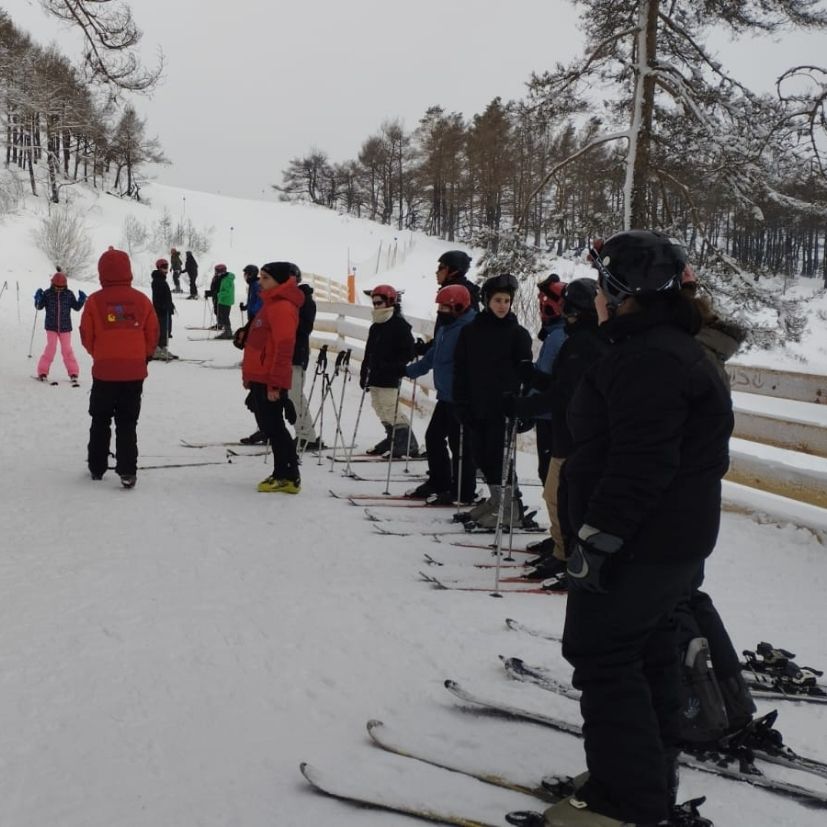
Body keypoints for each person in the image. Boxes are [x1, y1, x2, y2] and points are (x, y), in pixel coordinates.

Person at [543, 231, 733, 827]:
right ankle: (642, 779)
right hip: (664, 542)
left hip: (640, 545)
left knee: (603, 655)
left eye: (603, 287)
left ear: (622, 294)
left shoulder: (649, 358)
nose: (597, 298)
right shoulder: (664, 348)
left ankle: (625, 802)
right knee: (647, 651)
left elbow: (642, 462)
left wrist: (597, 538)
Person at [505, 277, 606, 575]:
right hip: (570, 433)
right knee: (558, 496)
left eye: (569, 310)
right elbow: (561, 384)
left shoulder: (584, 345)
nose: (565, 316)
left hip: (574, 436)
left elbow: (564, 394)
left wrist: (522, 406)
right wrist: (531, 376)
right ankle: (561, 549)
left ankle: (567, 557)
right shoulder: (579, 341)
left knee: (561, 498)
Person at [453, 273, 533, 529]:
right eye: (498, 300)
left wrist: (525, 407)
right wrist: (460, 403)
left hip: (503, 408)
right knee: (481, 456)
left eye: (507, 301)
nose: (502, 306)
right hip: (477, 404)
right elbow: (461, 370)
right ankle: (497, 500)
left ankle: (511, 508)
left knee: (499, 458)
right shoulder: (470, 332)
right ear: (487, 301)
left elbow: (527, 375)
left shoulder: (518, 334)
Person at [79, 248, 160, 488]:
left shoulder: (94, 301)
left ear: (102, 271)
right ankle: (127, 471)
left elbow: (86, 334)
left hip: (104, 372)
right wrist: (143, 356)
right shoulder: (141, 300)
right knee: (127, 422)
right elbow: (153, 332)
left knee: (100, 419)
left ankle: (97, 467)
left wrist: (99, 354)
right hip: (133, 372)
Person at [405, 284, 478, 505]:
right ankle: (440, 481)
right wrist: (408, 371)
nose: (441, 312)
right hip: (446, 396)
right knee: (433, 437)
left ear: (459, 307)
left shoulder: (469, 329)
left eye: (445, 307)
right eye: (440, 307)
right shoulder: (447, 327)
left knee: (460, 445)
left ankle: (463, 491)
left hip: (461, 398)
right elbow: (432, 356)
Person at [241, 261, 305, 494]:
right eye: (260, 277)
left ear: (279, 281)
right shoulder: (270, 304)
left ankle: (288, 475)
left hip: (270, 378)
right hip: (261, 376)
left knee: (275, 428)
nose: (261, 281)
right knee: (270, 427)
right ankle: (284, 473)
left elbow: (283, 348)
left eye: (266, 278)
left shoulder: (282, 307)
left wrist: (275, 384)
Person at [359, 285, 419, 457]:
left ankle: (407, 443)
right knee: (379, 407)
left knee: (390, 407)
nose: (376, 306)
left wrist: (392, 366)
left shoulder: (399, 325)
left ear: (390, 302)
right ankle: (392, 438)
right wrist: (364, 372)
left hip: (389, 374)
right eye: (374, 303)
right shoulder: (376, 326)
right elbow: (369, 352)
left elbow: (408, 352)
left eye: (379, 302)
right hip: (375, 374)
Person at [34, 271, 86, 384]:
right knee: (51, 348)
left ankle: (73, 372)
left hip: (65, 327)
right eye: (56, 287)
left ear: (65, 285)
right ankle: (42, 371)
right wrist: (37, 299)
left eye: (61, 287)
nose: (58, 289)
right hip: (51, 326)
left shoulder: (69, 294)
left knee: (67, 350)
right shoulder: (47, 294)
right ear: (52, 284)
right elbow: (39, 307)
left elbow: (76, 307)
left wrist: (81, 300)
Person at [290, 266, 322, 451]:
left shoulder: (305, 300)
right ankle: (301, 433)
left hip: (296, 354)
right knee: (287, 397)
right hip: (285, 354)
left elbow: (304, 328)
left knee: (295, 395)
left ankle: (307, 436)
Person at [150, 258, 178, 361]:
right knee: (161, 330)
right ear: (158, 268)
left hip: (166, 309)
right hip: (160, 311)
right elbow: (157, 297)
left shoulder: (162, 279)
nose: (166, 269)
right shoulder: (157, 280)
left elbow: (165, 295)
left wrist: (170, 304)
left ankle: (163, 348)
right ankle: (157, 350)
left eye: (166, 266)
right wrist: (163, 305)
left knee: (167, 330)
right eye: (163, 267)